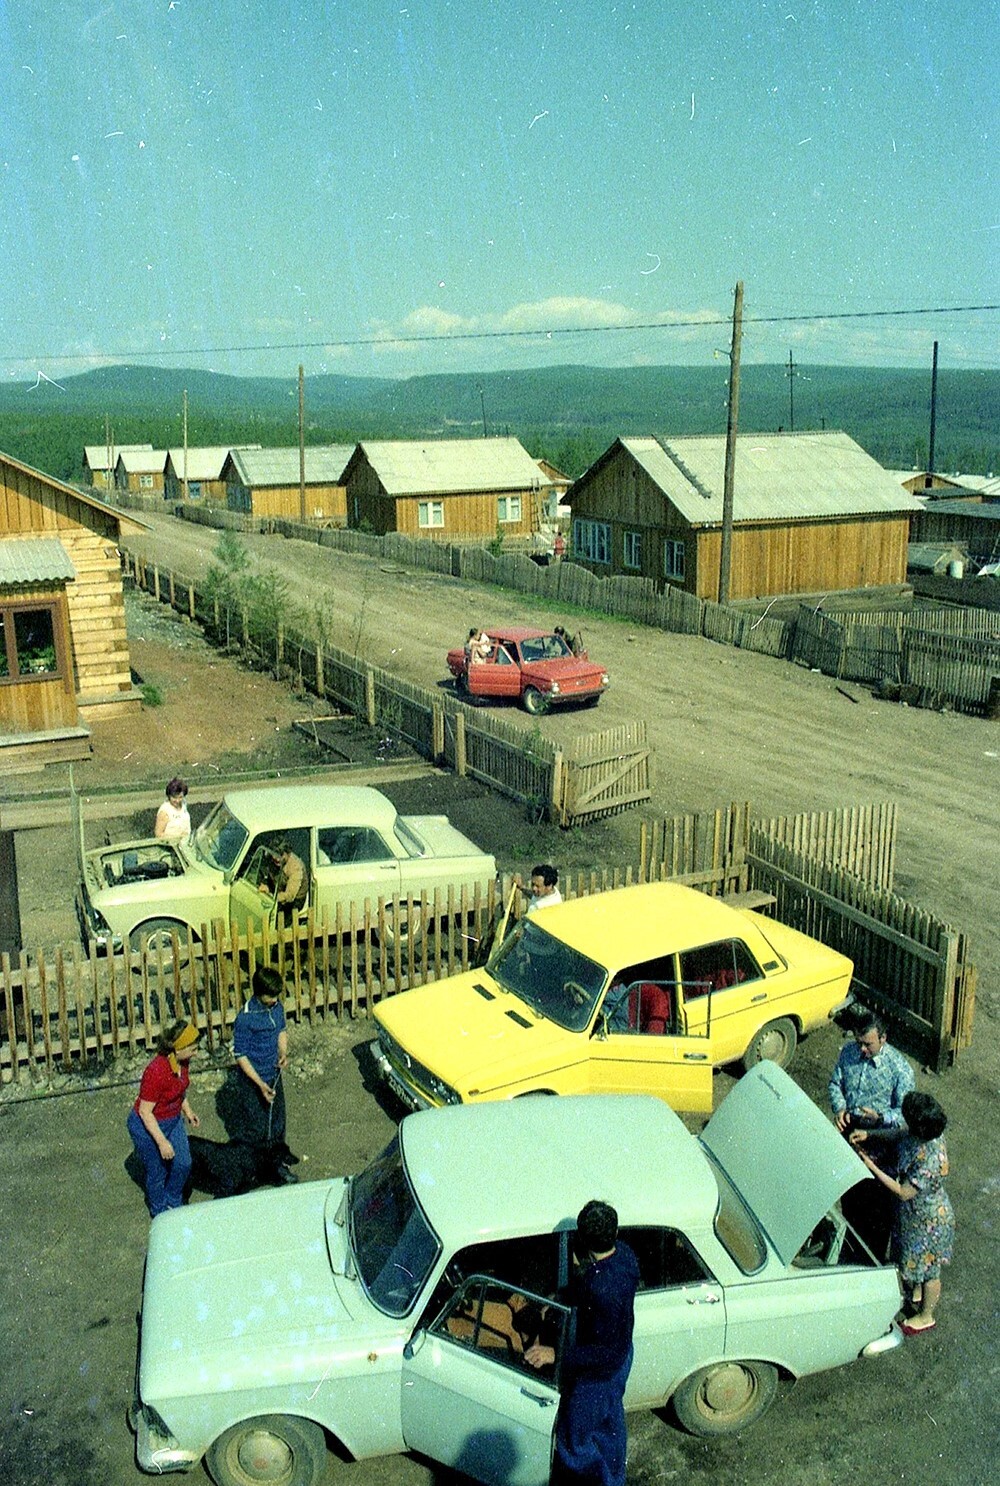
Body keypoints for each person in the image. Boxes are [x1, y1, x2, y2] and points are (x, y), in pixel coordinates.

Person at [526, 1200, 639, 1486]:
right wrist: (562, 1296)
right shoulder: (625, 1256)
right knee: (609, 1426)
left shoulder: (601, 1287)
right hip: (621, 1361)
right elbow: (590, 1282)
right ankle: (615, 1479)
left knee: (573, 1441)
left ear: (583, 1240)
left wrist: (555, 1354)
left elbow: (602, 1352)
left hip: (598, 1376)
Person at [854, 1091, 954, 1334]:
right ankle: (916, 1293)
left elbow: (902, 1191)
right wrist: (871, 1135)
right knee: (916, 1263)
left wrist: (871, 1166)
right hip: (912, 1218)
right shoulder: (918, 1134)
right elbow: (901, 1134)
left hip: (928, 1222)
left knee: (930, 1271)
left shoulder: (932, 1160)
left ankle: (926, 1315)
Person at [829, 1009, 915, 1258]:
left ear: (883, 1039)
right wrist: (840, 1107)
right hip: (850, 1139)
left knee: (876, 1214)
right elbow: (835, 1084)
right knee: (850, 1204)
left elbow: (905, 1115)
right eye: (859, 1042)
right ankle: (850, 1253)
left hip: (881, 1148)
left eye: (868, 1044)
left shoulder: (900, 1069)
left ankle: (872, 1262)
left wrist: (880, 1119)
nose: (862, 1050)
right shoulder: (848, 1053)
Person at [230, 964, 297, 1183]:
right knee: (256, 1128)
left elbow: (281, 1031)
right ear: (258, 994)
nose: (275, 1000)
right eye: (271, 996)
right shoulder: (245, 1019)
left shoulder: (276, 1008)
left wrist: (283, 1052)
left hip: (273, 1076)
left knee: (277, 1124)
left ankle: (278, 1166)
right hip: (254, 1081)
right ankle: (253, 1171)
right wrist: (259, 1085)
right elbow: (240, 1055)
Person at [127, 1021, 201, 1217]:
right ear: (178, 1048)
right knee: (157, 1171)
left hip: (172, 1119)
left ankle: (173, 1199)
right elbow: (145, 1112)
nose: (196, 1053)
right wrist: (162, 1142)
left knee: (183, 1163)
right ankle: (159, 1211)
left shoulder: (182, 1063)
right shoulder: (156, 1071)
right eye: (193, 1049)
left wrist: (187, 1110)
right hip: (147, 1126)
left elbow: (179, 1090)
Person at [261, 839, 307, 914]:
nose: (276, 858)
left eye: (281, 855)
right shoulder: (272, 858)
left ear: (288, 853)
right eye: (274, 854)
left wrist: (270, 895)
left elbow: (289, 896)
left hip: (294, 901)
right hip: (278, 889)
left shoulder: (296, 867)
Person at [154, 777, 191, 842]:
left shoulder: (184, 805)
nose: (177, 801)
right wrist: (178, 837)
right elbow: (158, 834)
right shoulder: (165, 811)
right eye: (174, 797)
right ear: (169, 796)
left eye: (180, 797)